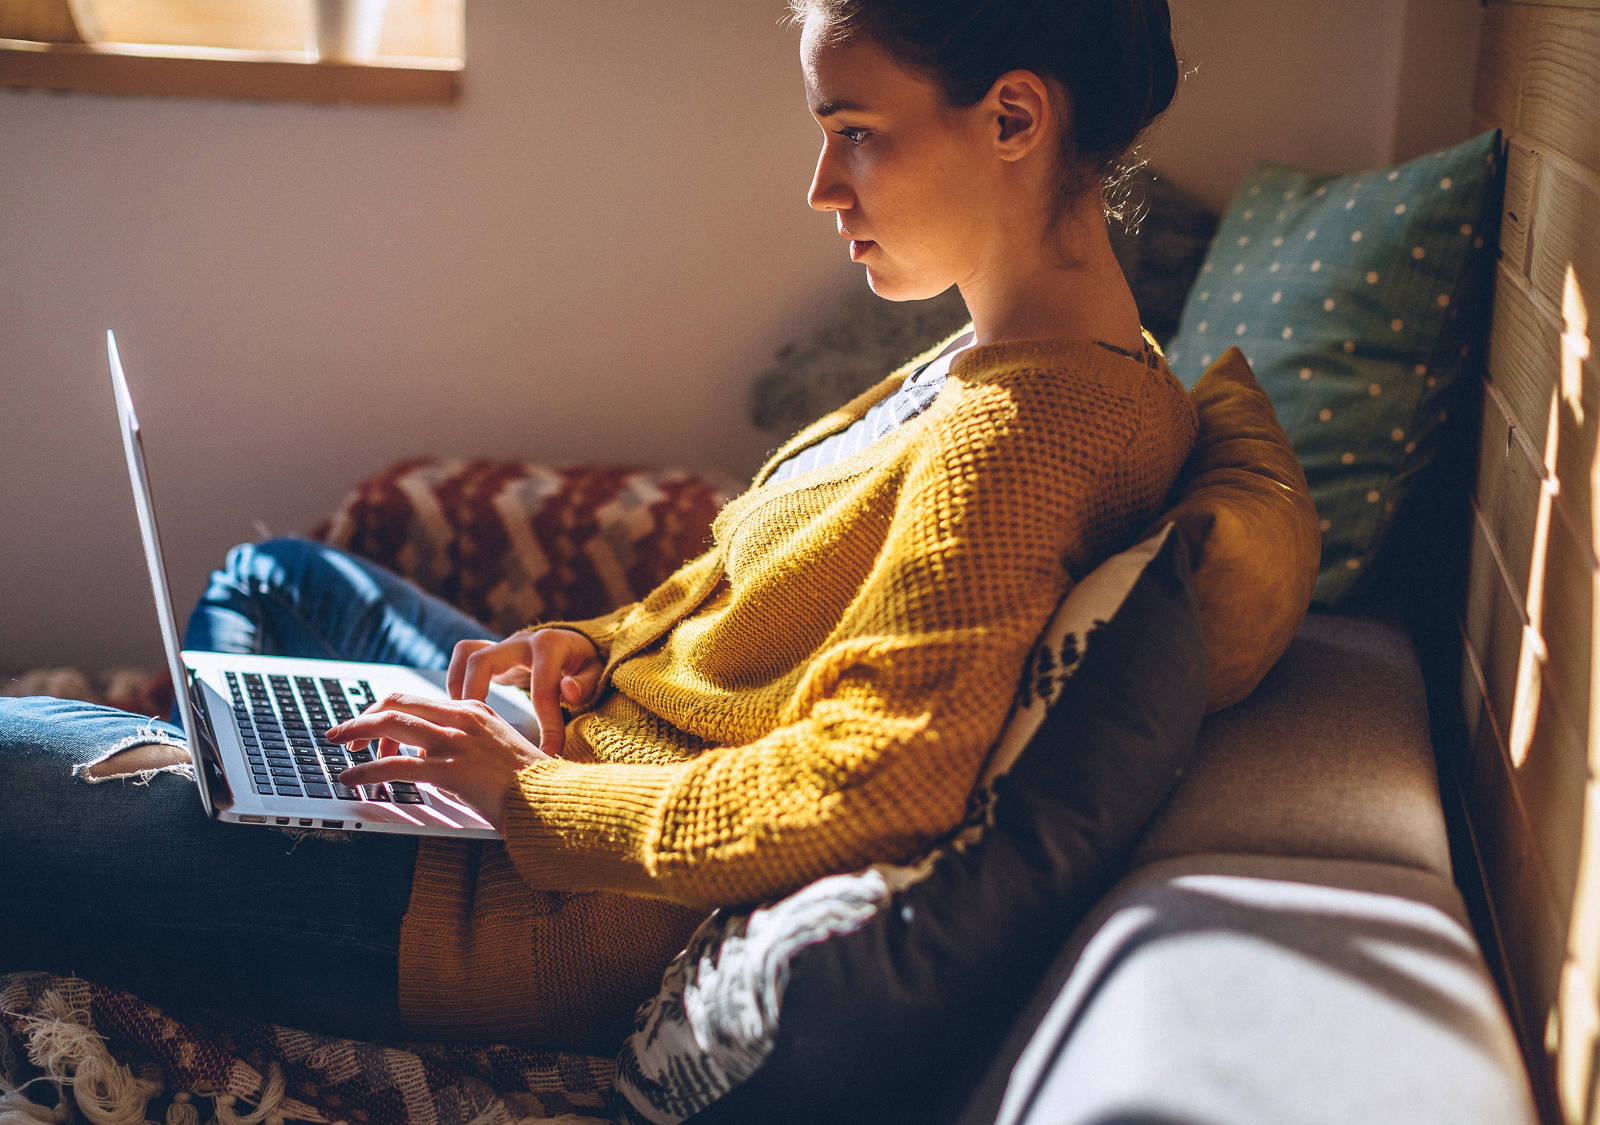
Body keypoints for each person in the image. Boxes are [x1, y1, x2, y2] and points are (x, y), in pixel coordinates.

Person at [0, 0, 1192, 1051]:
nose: (822, 185)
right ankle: (266, 796)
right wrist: (592, 644)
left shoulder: (1030, 433)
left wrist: (522, 794)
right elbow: (746, 600)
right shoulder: (1000, 360)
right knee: (277, 581)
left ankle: (248, 848)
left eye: (856, 131)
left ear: (1014, 118)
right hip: (572, 744)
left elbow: (875, 781)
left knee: (20, 755)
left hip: (527, 900)